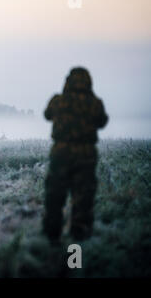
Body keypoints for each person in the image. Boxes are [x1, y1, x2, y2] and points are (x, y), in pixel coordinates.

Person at [43, 67, 108, 241]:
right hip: (86, 154)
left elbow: (47, 114)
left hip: (61, 152)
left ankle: (52, 238)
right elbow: (102, 121)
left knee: (55, 195)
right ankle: (78, 244)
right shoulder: (95, 103)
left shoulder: (58, 100)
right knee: (83, 198)